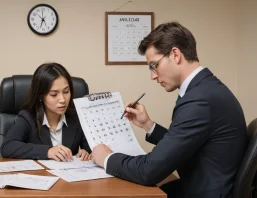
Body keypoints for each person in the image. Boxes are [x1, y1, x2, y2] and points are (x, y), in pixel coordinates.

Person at [91, 22, 247, 198]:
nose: (153, 76)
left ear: (175, 54)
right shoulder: (205, 89)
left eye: (153, 65)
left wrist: (107, 158)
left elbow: (148, 171)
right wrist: (148, 125)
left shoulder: (199, 100)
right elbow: (184, 142)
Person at [1, 63, 91, 161]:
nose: (62, 99)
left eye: (66, 92)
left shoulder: (77, 117)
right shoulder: (28, 117)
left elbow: (91, 149)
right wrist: (48, 151)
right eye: (54, 94)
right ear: (41, 96)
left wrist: (87, 153)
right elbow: (7, 147)